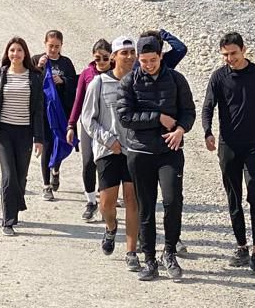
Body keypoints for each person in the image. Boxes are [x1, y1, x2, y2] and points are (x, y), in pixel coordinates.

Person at [116, 32, 195, 282]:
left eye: (153, 59)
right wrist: (157, 118)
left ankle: (169, 252)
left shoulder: (177, 79)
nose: (148, 65)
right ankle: (149, 259)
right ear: (138, 58)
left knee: (173, 202)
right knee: (146, 207)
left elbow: (188, 112)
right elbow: (125, 117)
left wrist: (181, 130)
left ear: (161, 56)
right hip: (140, 152)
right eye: (144, 60)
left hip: (170, 152)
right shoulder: (128, 82)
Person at [203, 31, 255, 276]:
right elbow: (208, 105)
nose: (230, 59)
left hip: (253, 145)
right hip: (228, 146)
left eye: (233, 53)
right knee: (233, 196)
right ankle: (241, 246)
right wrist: (207, 131)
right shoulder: (219, 76)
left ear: (244, 50)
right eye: (225, 55)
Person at [81, 36, 142, 271]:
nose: (128, 57)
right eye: (123, 53)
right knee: (107, 204)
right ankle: (110, 227)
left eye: (131, 52)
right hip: (107, 150)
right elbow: (88, 118)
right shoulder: (99, 82)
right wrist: (108, 140)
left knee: (131, 200)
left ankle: (131, 251)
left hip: (134, 150)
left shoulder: (139, 82)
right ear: (114, 56)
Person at [0, 37, 45, 236]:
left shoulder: (34, 76)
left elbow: (39, 109)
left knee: (20, 177)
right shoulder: (0, 74)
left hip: (25, 133)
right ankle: (8, 220)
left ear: (25, 53)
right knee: (9, 175)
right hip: (4, 133)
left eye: (19, 50)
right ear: (7, 53)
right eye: (12, 50)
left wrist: (39, 138)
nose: (15, 54)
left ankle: (16, 204)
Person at [66, 39, 113, 221]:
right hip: (88, 125)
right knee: (88, 162)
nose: (101, 62)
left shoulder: (116, 73)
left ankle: (106, 201)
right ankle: (91, 201)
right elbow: (78, 101)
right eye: (97, 58)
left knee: (105, 164)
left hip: (108, 125)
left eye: (105, 58)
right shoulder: (86, 73)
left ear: (111, 57)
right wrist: (71, 124)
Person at [39, 30, 78, 199]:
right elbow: (30, 79)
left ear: (61, 45)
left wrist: (63, 81)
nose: (53, 50)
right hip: (44, 113)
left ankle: (56, 168)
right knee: (47, 145)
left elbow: (76, 83)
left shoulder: (66, 63)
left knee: (60, 142)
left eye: (57, 46)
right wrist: (39, 67)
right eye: (50, 46)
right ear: (45, 44)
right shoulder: (38, 60)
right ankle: (46, 185)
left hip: (62, 111)